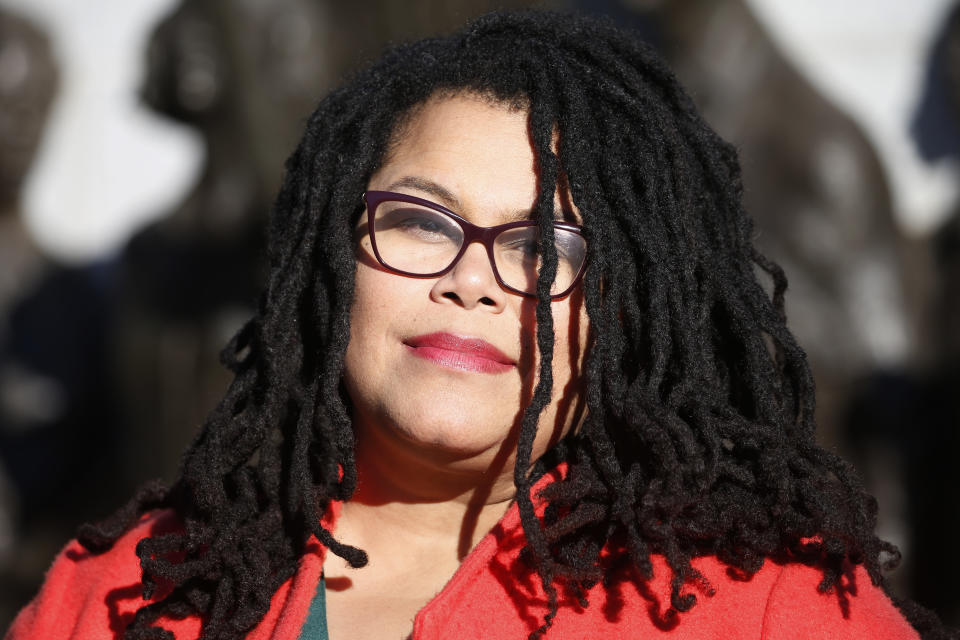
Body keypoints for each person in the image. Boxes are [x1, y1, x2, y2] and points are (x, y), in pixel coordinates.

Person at [5, 10, 951, 640]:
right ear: (331, 256)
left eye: (546, 250)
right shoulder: (125, 590)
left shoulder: (772, 611)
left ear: (624, 313)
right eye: (421, 222)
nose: (473, 282)